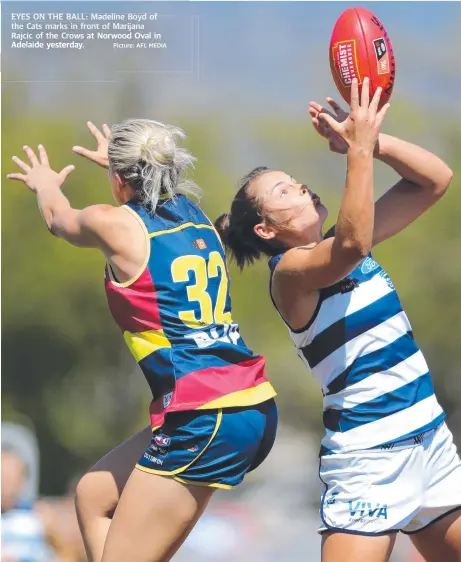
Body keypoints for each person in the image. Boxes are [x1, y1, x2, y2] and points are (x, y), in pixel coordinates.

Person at [7, 119, 278, 562]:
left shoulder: (113, 224)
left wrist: (43, 183)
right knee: (94, 495)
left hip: (204, 413)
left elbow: (58, 218)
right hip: (244, 404)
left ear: (117, 178)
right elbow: (146, 200)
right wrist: (121, 170)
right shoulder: (194, 214)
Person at [213, 78, 461, 562]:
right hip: (370, 460)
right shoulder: (290, 274)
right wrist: (358, 152)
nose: (300, 186)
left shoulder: (343, 248)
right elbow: (352, 244)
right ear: (266, 230)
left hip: (430, 441)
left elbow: (435, 180)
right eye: (284, 191)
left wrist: (374, 143)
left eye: (295, 180)